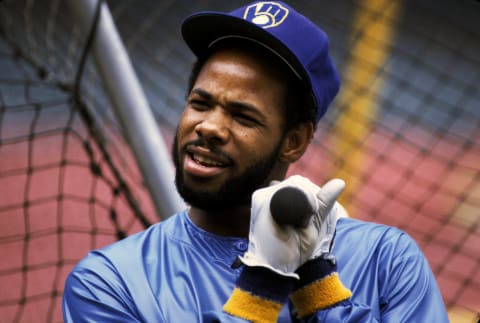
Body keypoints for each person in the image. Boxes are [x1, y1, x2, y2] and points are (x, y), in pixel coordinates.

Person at [62, 1, 449, 322]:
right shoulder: (110, 283)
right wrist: (260, 289)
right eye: (200, 103)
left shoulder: (387, 261)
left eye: (243, 115)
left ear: (294, 141)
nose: (209, 126)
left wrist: (317, 283)